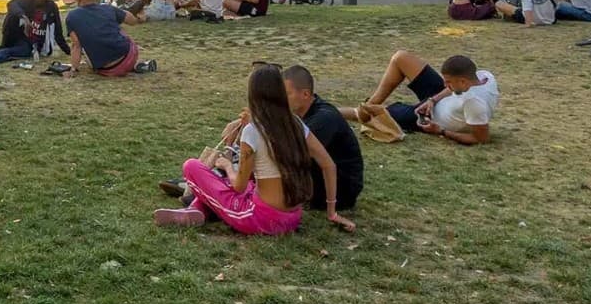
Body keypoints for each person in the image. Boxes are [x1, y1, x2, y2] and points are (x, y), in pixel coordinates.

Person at [155, 65, 355, 233]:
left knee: (192, 166)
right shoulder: (295, 123)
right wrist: (332, 212)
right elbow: (328, 165)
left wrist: (227, 166)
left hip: (261, 219)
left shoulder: (252, 131)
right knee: (245, 183)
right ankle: (195, 210)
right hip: (292, 218)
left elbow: (238, 187)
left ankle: (197, 207)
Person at [340, 51, 498, 145]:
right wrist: (432, 100)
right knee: (401, 57)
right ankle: (369, 103)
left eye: (448, 81)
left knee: (374, 114)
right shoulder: (485, 76)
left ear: (462, 81)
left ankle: (335, 111)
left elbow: (480, 138)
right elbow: (452, 89)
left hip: (430, 118)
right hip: (437, 101)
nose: (445, 84)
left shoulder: (474, 104)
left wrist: (441, 131)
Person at [63, 0, 156, 77]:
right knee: (119, 30)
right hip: (128, 57)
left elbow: (76, 45)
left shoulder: (72, 16)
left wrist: (73, 70)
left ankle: (130, 66)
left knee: (87, 46)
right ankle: (136, 65)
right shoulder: (107, 8)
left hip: (107, 70)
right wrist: (138, 18)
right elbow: (131, 21)